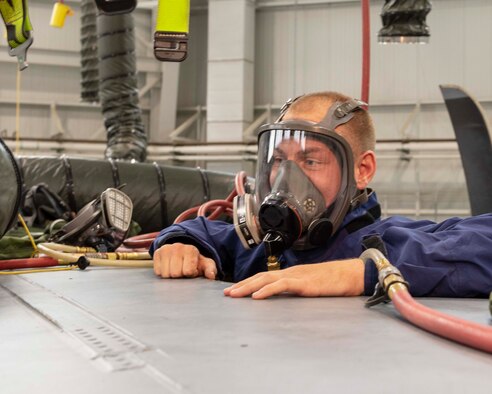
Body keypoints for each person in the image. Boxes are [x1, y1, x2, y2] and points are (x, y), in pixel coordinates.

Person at [150, 91, 492, 300]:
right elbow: (207, 233)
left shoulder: (383, 243)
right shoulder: (262, 247)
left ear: (362, 170)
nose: (286, 178)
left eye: (310, 160)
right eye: (279, 160)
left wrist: (360, 273)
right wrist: (180, 243)